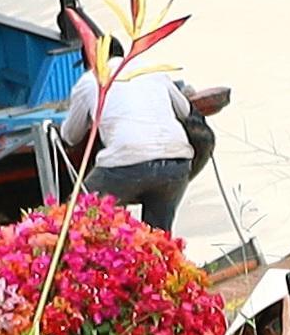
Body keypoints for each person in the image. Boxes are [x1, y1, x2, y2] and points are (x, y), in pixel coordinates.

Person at [80, 52, 225, 234]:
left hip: (125, 166)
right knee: (158, 236)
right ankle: (157, 256)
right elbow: (185, 110)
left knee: (78, 213)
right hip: (176, 164)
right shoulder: (153, 72)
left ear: (91, 63)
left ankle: (98, 253)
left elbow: (70, 136)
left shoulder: (88, 81)